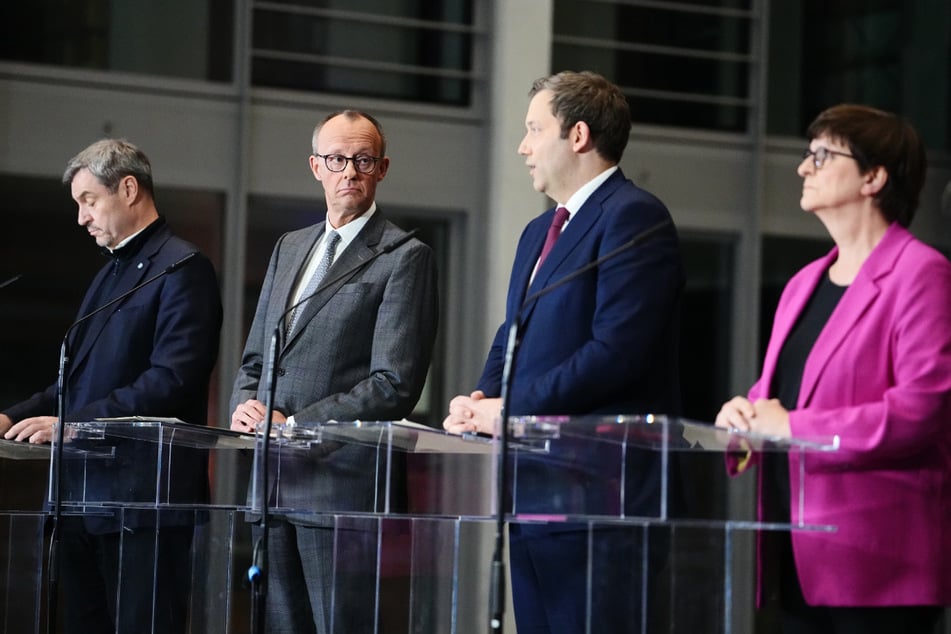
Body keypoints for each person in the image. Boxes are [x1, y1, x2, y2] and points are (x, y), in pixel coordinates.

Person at [443, 71, 684, 633]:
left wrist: (513, 409)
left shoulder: (634, 217)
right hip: (533, 490)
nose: (523, 146)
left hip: (603, 497)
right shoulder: (537, 231)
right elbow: (515, 332)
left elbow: (615, 351)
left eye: (533, 129)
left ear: (577, 136)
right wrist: (481, 400)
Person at [715, 104, 951, 633]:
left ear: (873, 177)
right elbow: (783, 392)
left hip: (879, 565)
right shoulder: (804, 282)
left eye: (822, 155)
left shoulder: (922, 275)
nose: (804, 167)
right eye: (807, 154)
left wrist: (790, 427)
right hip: (798, 552)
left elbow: (920, 411)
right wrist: (745, 414)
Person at [0, 138, 223, 633]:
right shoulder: (108, 274)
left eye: (88, 201)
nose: (82, 218)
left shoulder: (183, 269)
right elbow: (73, 383)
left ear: (128, 188)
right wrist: (12, 416)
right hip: (81, 500)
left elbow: (172, 379)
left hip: (144, 506)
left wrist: (73, 425)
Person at [230, 109, 439, 633]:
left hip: (342, 491)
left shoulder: (403, 256)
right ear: (315, 166)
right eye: (337, 159)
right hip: (272, 484)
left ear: (382, 168)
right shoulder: (290, 248)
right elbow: (257, 355)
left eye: (363, 159)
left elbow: (394, 384)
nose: (350, 170)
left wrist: (297, 426)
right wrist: (245, 402)